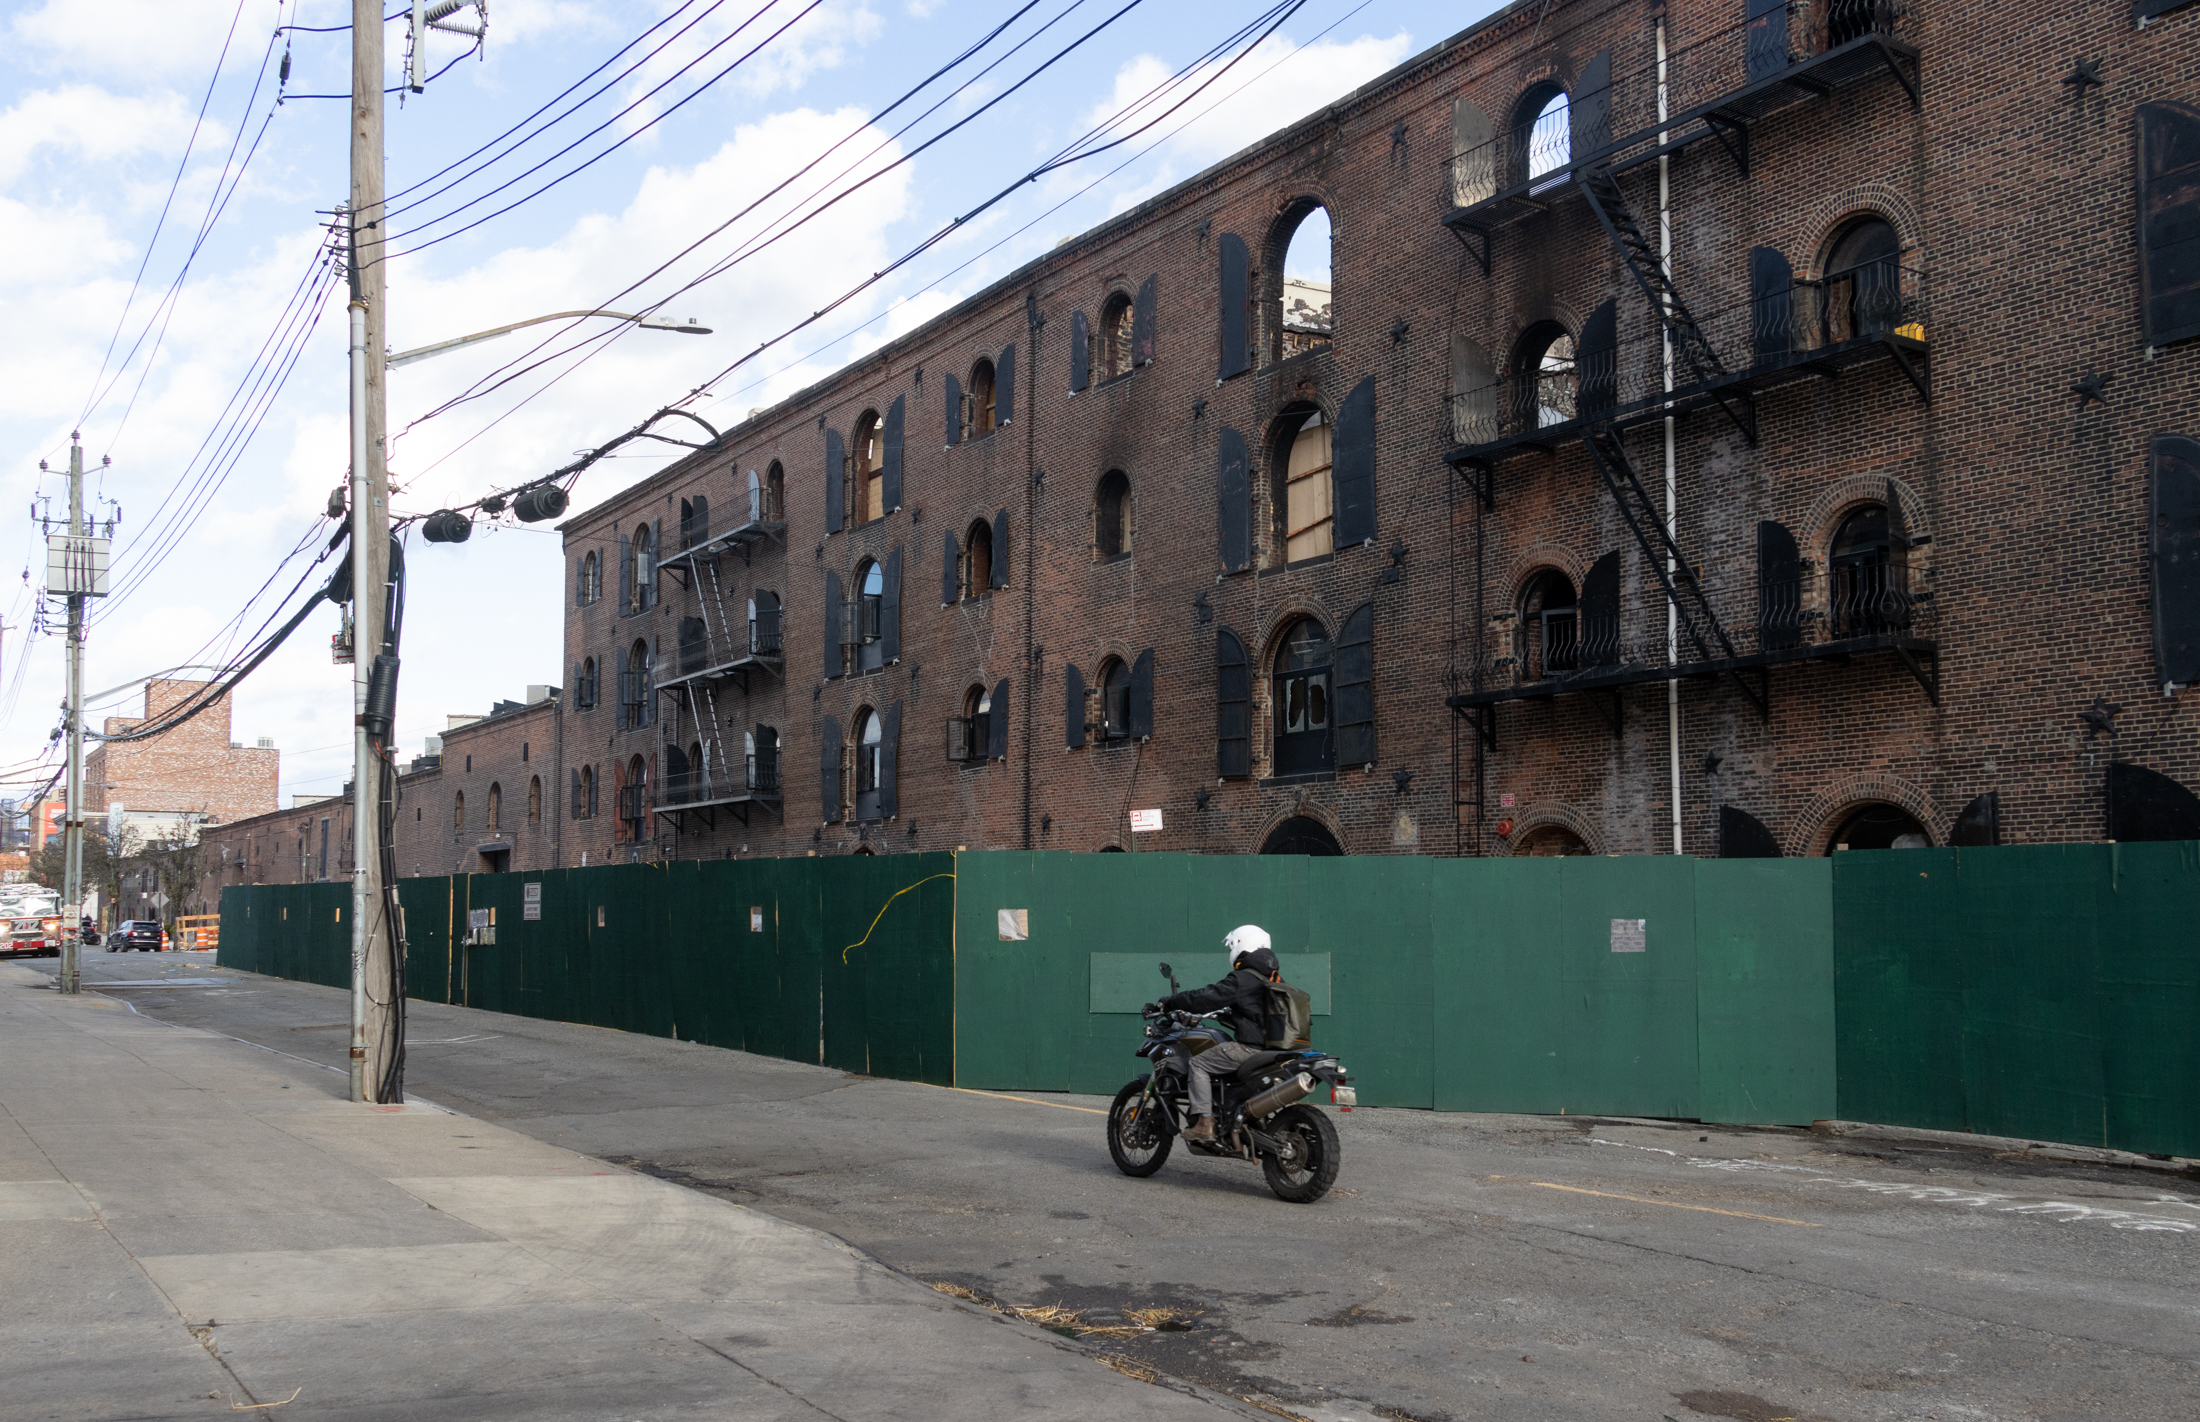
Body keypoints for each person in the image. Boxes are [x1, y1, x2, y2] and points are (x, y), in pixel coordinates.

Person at [1154, 925, 1278, 1141]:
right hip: (1275, 1049)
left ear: (1242, 944)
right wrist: (1228, 1016)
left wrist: (1172, 1002)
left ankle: (1204, 1122)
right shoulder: (1274, 979)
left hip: (1251, 1048)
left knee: (1198, 1064)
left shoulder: (1245, 978)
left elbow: (1207, 997)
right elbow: (1256, 1015)